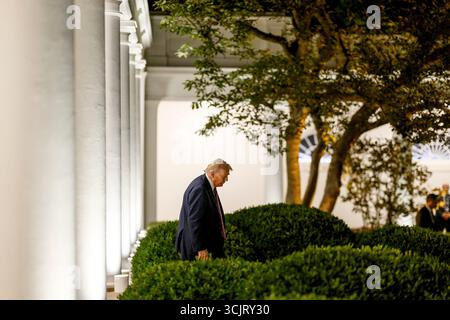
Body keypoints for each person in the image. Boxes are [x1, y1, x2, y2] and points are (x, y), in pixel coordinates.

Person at [175, 159, 232, 261]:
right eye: (225, 176)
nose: (226, 179)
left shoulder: (208, 185)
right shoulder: (200, 189)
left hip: (207, 244)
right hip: (197, 249)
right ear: (212, 174)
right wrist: (200, 248)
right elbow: (194, 221)